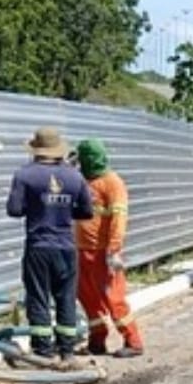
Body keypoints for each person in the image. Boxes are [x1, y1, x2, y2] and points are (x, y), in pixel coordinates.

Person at [7, 127, 93, 361]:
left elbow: (14, 210)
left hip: (38, 246)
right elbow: (86, 212)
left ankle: (43, 352)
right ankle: (67, 351)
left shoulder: (24, 175)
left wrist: (38, 206)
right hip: (66, 246)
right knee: (66, 297)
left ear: (36, 149)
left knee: (38, 297)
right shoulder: (75, 176)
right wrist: (62, 209)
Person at [74, 138, 144, 358]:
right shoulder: (83, 182)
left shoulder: (112, 183)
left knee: (113, 297)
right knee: (87, 297)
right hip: (82, 250)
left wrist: (114, 250)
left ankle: (133, 341)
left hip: (103, 252)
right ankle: (97, 339)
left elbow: (118, 219)